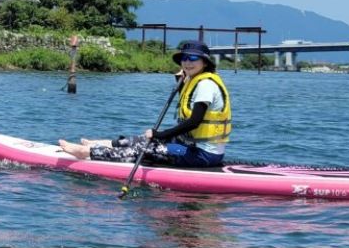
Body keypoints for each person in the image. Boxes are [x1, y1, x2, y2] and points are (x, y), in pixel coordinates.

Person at [58, 39, 232, 168]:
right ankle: (101, 144)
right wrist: (180, 83)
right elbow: (187, 111)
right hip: (189, 145)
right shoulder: (194, 81)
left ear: (205, 62)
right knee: (143, 139)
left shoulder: (206, 85)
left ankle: (86, 153)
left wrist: (161, 135)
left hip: (203, 154)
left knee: (146, 148)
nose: (187, 62)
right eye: (184, 58)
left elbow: (194, 121)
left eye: (193, 58)